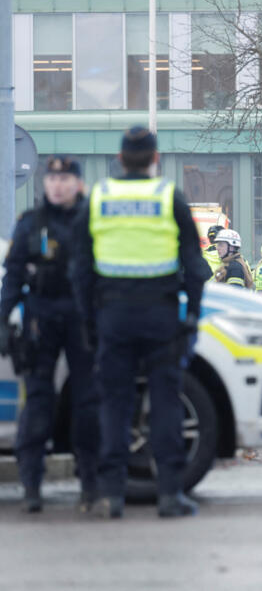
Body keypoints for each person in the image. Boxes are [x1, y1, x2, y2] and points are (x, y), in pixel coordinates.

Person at [71, 126, 210, 518]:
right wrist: (192, 317)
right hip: (160, 315)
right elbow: (195, 267)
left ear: (119, 159)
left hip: (112, 316)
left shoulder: (99, 198)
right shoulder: (169, 197)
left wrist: (89, 320)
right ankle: (168, 494)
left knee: (115, 403)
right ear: (155, 159)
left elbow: (80, 269)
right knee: (165, 402)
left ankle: (111, 495)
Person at [0, 157, 99, 514]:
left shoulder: (93, 222)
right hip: (40, 317)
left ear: (77, 183)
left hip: (82, 318)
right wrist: (2, 318)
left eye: (65, 178)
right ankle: (31, 486)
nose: (57, 185)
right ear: (45, 184)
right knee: (38, 403)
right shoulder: (31, 224)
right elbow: (12, 276)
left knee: (88, 403)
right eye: (52, 178)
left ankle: (90, 485)